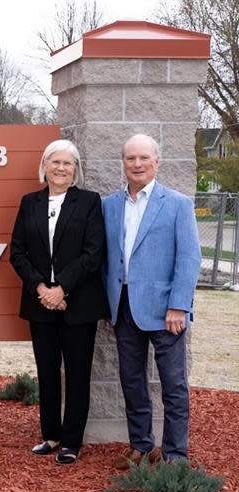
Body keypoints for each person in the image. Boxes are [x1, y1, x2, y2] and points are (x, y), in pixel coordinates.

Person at [103, 134, 201, 469]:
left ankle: (175, 454)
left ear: (157, 162)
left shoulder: (177, 204)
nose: (137, 164)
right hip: (124, 307)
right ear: (124, 163)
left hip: (166, 311)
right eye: (131, 158)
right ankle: (141, 446)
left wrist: (179, 305)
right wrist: (108, 304)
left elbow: (189, 258)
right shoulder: (109, 205)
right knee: (132, 381)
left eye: (144, 158)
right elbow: (106, 258)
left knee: (173, 385)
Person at [9, 139, 109, 465]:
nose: (61, 168)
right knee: (48, 371)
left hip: (78, 304)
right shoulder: (30, 203)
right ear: (45, 166)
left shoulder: (89, 202)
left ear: (75, 169)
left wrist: (61, 289)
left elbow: (93, 253)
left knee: (77, 375)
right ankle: (50, 435)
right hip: (40, 303)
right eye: (56, 162)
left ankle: (71, 442)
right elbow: (18, 252)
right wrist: (42, 289)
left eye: (68, 163)